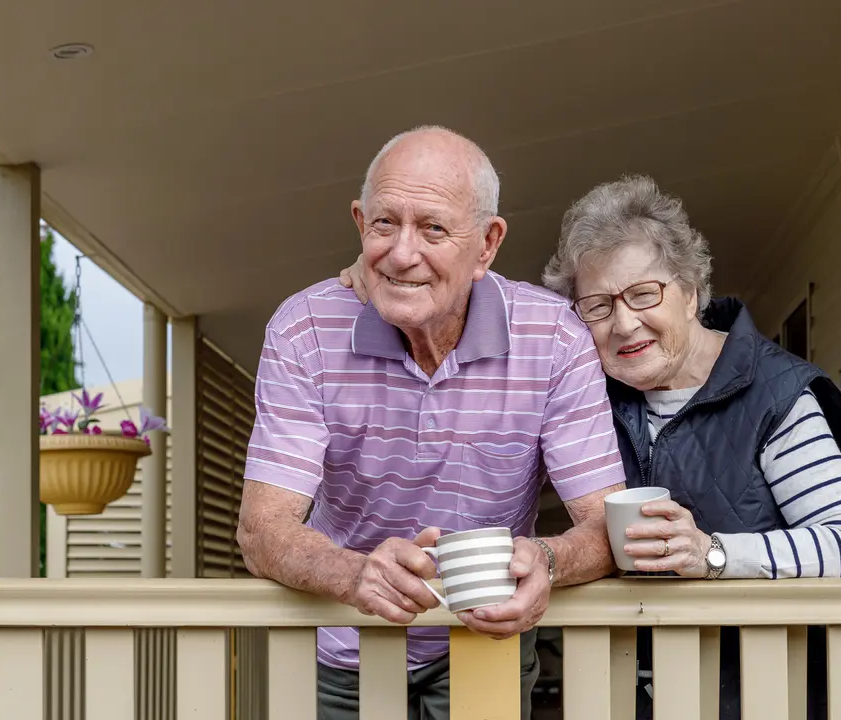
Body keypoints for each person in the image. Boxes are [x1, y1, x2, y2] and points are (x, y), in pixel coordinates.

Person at [341, 174, 841, 719]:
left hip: (765, 694)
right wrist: (399, 281)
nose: (624, 323)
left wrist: (713, 554)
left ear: (691, 292)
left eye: (644, 294)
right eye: (597, 306)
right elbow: (488, 306)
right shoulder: (586, 387)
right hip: (629, 694)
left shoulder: (776, 394)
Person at [237, 125, 627, 720]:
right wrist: (353, 575)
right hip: (346, 640)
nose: (401, 253)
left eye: (434, 229)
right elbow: (261, 529)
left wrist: (546, 561)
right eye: (384, 223)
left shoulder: (554, 339)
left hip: (485, 639)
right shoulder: (304, 330)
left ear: (488, 244)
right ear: (359, 223)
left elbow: (605, 525)